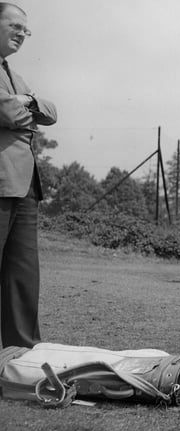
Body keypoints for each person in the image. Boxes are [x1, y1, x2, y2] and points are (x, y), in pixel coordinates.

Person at [0, 3, 57, 348]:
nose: (22, 34)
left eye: (27, 30)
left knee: (23, 276)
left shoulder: (16, 76)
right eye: (15, 25)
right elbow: (9, 113)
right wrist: (23, 107)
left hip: (25, 185)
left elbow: (50, 111)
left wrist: (23, 100)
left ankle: (21, 355)